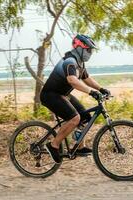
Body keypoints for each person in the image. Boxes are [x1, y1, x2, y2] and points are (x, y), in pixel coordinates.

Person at [40, 34, 111, 163]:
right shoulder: (70, 61)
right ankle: (53, 145)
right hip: (50, 95)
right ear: (79, 48)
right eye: (88, 49)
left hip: (63, 94)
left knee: (85, 117)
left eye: (91, 50)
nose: (90, 53)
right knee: (75, 118)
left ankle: (79, 147)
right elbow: (72, 80)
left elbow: (86, 79)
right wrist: (91, 92)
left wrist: (101, 89)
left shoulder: (80, 63)